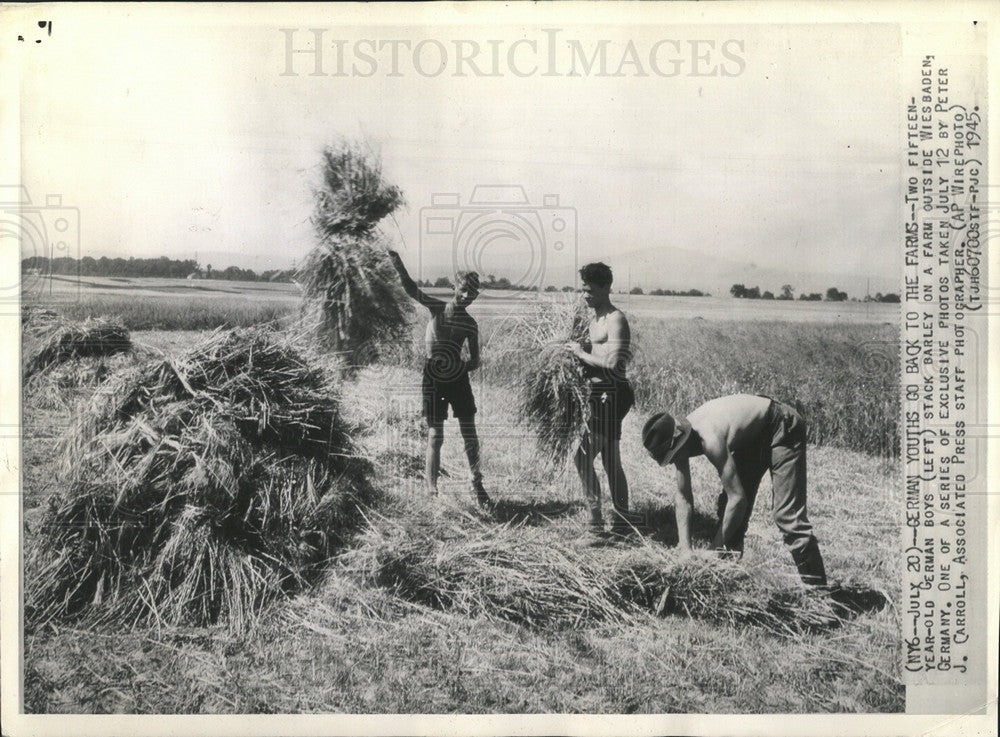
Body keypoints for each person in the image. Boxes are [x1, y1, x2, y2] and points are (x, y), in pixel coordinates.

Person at [641, 394, 828, 586]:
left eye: (671, 457)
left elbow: (738, 499)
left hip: (781, 424)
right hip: (751, 439)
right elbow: (683, 496)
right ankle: (729, 584)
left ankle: (820, 597)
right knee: (727, 514)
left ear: (679, 444)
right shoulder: (680, 438)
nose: (673, 462)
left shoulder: (710, 438)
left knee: (787, 517)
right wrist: (684, 550)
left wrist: (715, 549)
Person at [386, 250, 490, 506]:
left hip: (458, 379)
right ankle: (432, 491)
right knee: (435, 435)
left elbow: (475, 361)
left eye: (473, 292)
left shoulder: (471, 324)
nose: (467, 295)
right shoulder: (437, 308)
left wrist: (460, 367)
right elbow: (411, 289)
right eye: (464, 289)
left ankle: (477, 481)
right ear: (453, 287)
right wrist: (398, 264)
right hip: (433, 375)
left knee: (470, 433)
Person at [565, 262, 635, 537]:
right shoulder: (593, 321)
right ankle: (622, 523)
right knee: (610, 462)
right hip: (598, 394)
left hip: (612, 394)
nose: (586, 295)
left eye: (591, 290)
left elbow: (617, 364)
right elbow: (596, 360)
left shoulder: (615, 319)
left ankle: (595, 527)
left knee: (582, 458)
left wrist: (581, 354)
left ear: (606, 288)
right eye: (583, 290)